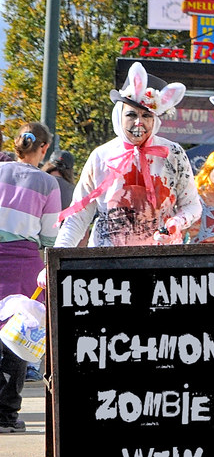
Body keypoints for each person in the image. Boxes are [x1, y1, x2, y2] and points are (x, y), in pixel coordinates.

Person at [55, 62, 200, 248]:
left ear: (155, 120)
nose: (139, 123)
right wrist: (55, 261)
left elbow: (192, 206)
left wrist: (176, 223)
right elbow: (78, 216)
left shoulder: (173, 153)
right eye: (131, 115)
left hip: (163, 260)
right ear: (119, 116)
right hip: (107, 263)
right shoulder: (101, 156)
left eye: (147, 116)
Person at [0, 123, 60, 432]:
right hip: (24, 261)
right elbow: (50, 235)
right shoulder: (47, 184)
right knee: (20, 334)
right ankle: (6, 414)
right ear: (44, 148)